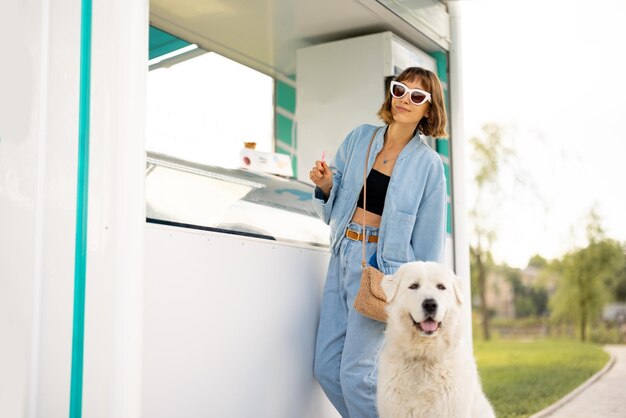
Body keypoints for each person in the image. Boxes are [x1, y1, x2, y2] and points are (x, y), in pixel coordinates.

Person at [309, 67, 448, 418]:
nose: (405, 100)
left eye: (417, 97)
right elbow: (333, 199)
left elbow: (430, 244)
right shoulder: (361, 138)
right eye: (400, 90)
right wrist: (325, 184)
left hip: (383, 270)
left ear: (429, 111)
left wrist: (417, 293)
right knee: (327, 368)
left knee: (357, 375)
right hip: (343, 252)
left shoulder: (429, 165)